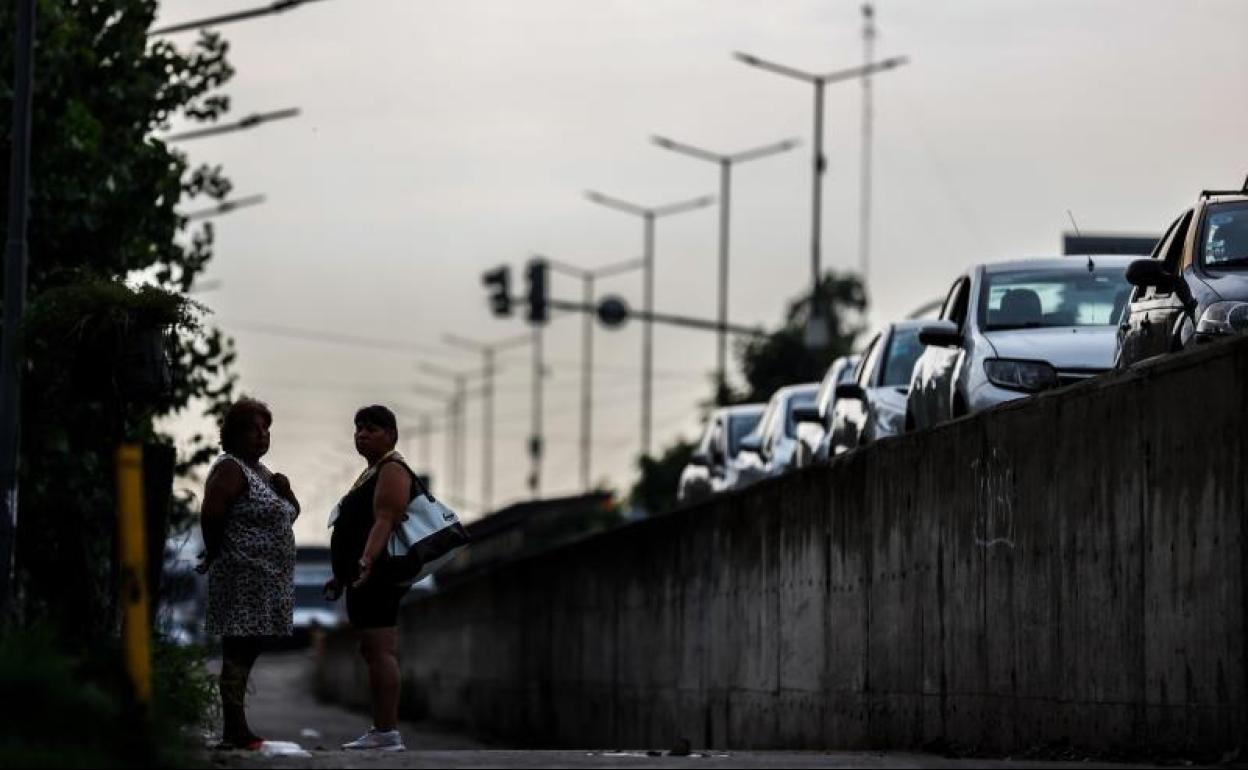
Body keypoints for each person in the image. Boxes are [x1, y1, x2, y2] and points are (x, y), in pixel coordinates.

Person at [200, 397, 300, 751]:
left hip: (267, 580)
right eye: (253, 429)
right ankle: (234, 728)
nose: (261, 436)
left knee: (249, 649)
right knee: (238, 651)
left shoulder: (265, 474)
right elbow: (211, 514)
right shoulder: (230, 468)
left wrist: (286, 492)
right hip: (243, 576)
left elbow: (287, 514)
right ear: (233, 434)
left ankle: (237, 725)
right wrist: (216, 552)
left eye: (266, 429)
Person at [326, 405, 416, 752]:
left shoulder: (392, 468)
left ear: (391, 435)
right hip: (364, 575)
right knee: (372, 649)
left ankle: (387, 732)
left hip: (377, 574)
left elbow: (386, 519)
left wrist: (365, 560)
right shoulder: (372, 472)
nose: (362, 433)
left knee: (380, 650)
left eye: (372, 428)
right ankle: (382, 729)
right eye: (359, 428)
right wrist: (340, 576)